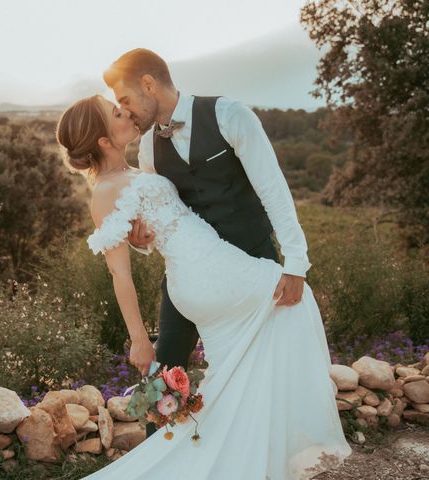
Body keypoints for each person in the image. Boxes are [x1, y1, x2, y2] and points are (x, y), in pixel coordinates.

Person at [55, 94, 351, 479]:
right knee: (294, 298)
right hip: (204, 274)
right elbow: (119, 275)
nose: (125, 112)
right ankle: (270, 445)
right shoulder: (105, 192)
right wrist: (139, 339)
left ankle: (232, 456)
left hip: (206, 268)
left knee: (233, 370)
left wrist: (141, 238)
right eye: (115, 113)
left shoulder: (139, 163)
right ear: (103, 141)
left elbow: (157, 223)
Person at [103, 48, 312, 440]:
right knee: (164, 372)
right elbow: (160, 215)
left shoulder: (230, 115)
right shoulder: (148, 145)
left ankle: (254, 456)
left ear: (148, 84)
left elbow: (274, 190)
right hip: (188, 274)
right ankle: (157, 460)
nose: (126, 111)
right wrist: (142, 240)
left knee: (258, 367)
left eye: (126, 99)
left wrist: (295, 262)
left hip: (251, 261)